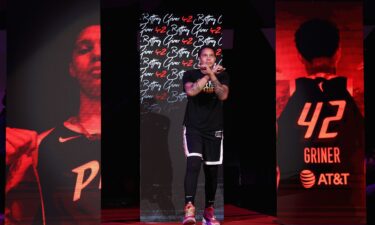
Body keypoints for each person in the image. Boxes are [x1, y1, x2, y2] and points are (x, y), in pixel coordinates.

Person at [5, 24, 101, 225]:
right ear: (72, 68)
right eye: (84, 49)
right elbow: (17, 217)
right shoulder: (39, 146)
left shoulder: (146, 135)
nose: (97, 54)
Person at [277, 19, 365, 224]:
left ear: (300, 57)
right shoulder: (358, 96)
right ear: (339, 52)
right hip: (347, 205)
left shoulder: (282, 99)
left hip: (296, 208)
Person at [182, 45, 229, 225]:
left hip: (214, 129)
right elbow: (192, 91)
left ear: (215, 59)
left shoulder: (223, 75)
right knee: (193, 163)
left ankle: (208, 211)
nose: (208, 59)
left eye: (211, 56)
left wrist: (213, 75)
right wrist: (208, 74)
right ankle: (189, 208)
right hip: (193, 127)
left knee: (211, 171)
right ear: (199, 58)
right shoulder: (190, 74)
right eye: (205, 56)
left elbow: (223, 95)